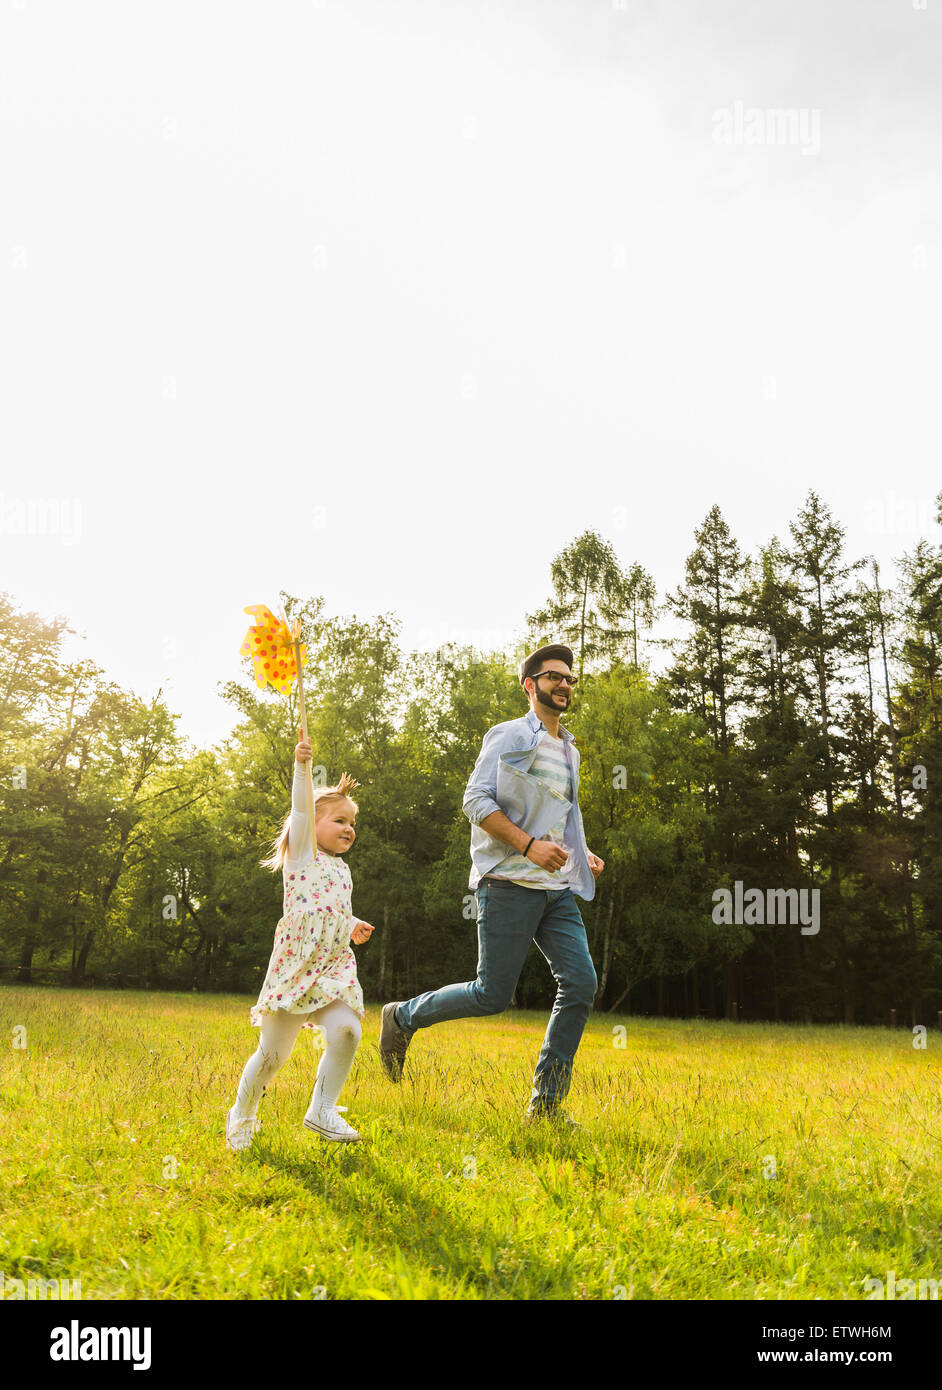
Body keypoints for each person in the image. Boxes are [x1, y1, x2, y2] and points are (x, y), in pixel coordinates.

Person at [379, 643, 604, 1124]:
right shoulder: (506, 736)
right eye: (553, 676)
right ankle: (401, 1016)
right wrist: (528, 847)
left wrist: (578, 852)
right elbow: (476, 802)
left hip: (555, 890)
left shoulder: (570, 751)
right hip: (507, 883)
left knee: (581, 982)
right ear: (530, 685)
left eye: (569, 678)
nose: (564, 684)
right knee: (491, 995)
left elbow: (559, 817)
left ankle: (545, 1106)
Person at [226, 729, 375, 1150]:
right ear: (312, 823)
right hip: (294, 969)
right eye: (340, 821)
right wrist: (302, 767)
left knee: (347, 1031)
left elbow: (329, 913)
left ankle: (322, 1109)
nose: (349, 829)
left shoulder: (342, 870)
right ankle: (243, 1113)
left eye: (352, 823)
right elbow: (300, 810)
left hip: (331, 967)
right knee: (272, 1056)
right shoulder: (302, 855)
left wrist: (352, 925)